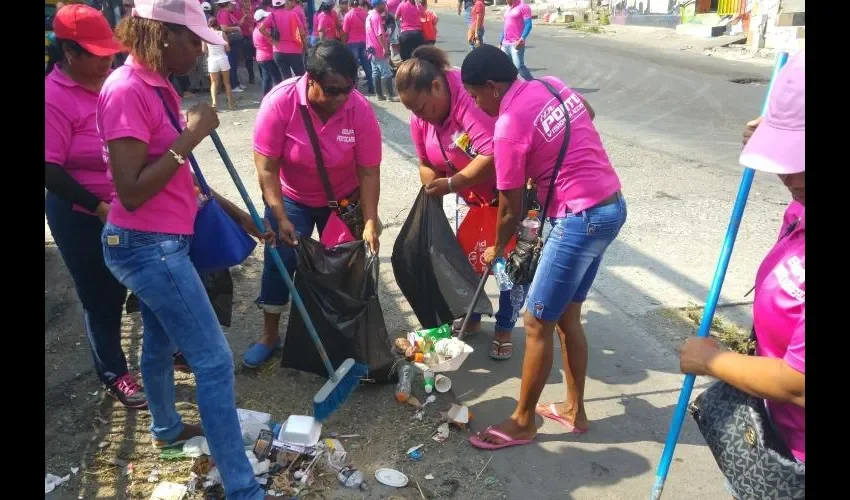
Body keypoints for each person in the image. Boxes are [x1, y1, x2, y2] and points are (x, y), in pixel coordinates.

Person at [99, 1, 275, 498]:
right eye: (193, 39)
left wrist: (240, 215)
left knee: (157, 341)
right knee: (214, 362)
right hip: (147, 245)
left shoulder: (157, 85)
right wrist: (192, 134)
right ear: (161, 35)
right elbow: (132, 190)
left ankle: (166, 429)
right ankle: (242, 488)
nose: (200, 50)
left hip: (162, 240)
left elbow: (178, 175)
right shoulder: (127, 90)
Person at [461, 44, 625, 449]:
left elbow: (511, 208)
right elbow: (586, 110)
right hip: (611, 205)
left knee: (535, 322)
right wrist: (552, 160)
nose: (477, 105)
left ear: (492, 87)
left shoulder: (508, 124)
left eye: (477, 96)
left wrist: (496, 249)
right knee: (568, 314)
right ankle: (574, 410)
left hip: (578, 219)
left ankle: (523, 421)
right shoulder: (550, 86)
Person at [679, 52, 805, 483]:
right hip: (779, 433)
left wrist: (713, 360)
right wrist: (774, 140)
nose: (788, 176)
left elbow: (798, 383)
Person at [246, 40, 382, 368]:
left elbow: (368, 172)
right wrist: (278, 214)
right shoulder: (280, 103)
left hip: (344, 200)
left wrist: (369, 220)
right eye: (332, 90)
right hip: (292, 199)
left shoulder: (359, 110)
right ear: (311, 81)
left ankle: (346, 336)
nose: (340, 98)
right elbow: (266, 168)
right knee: (281, 259)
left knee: (347, 268)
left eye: (347, 89)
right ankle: (269, 335)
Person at [45, 3, 148, 411]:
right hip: (82, 215)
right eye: (98, 52)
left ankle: (164, 350)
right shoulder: (54, 97)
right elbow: (49, 168)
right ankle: (114, 372)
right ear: (71, 54)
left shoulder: (114, 83)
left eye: (111, 50)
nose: (109, 58)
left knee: (146, 280)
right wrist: (98, 207)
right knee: (101, 295)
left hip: (127, 204)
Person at [396, 46, 527, 360]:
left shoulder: (469, 101)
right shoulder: (421, 116)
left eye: (423, 107)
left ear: (438, 87)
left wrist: (452, 183)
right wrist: (431, 180)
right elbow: (426, 161)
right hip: (471, 202)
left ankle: (506, 327)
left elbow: (493, 155)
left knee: (508, 267)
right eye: (413, 111)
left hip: (507, 198)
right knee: (467, 262)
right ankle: (473, 317)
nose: (420, 116)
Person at [260, 0, 307, 79]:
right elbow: (302, 33)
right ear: (284, 3)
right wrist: (305, 46)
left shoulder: (272, 16)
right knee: (301, 77)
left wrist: (271, 37)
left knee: (286, 78)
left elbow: (261, 29)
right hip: (294, 50)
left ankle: (289, 91)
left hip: (278, 52)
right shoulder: (293, 15)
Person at [366, 0, 398, 101]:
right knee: (386, 72)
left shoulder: (369, 16)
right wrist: (385, 48)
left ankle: (379, 95)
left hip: (371, 48)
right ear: (378, 5)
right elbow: (379, 34)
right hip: (378, 48)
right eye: (383, 4)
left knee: (375, 72)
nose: (385, 6)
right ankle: (390, 95)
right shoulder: (376, 17)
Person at [342, 0, 374, 95]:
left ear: (350, 5)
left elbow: (345, 32)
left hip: (352, 43)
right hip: (364, 42)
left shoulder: (348, 15)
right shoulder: (365, 14)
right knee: (367, 66)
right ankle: (371, 87)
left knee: (354, 67)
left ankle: (354, 89)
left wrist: (343, 44)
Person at [205, 16, 236, 109]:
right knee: (227, 83)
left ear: (208, 25)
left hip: (212, 60)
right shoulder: (222, 34)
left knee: (214, 83)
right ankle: (231, 103)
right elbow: (228, 48)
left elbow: (204, 50)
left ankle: (214, 103)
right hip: (223, 58)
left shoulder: (205, 35)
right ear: (217, 24)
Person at [215, 0, 247, 92]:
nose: (232, 6)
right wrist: (236, 28)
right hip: (231, 41)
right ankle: (233, 85)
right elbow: (224, 27)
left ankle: (236, 83)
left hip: (235, 41)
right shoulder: (224, 13)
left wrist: (244, 17)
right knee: (232, 63)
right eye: (231, 4)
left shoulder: (228, 13)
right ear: (227, 4)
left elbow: (238, 24)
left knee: (234, 62)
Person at [500, 0, 533, 81]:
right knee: (506, 67)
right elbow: (505, 26)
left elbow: (528, 24)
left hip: (516, 43)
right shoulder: (508, 8)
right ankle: (512, 86)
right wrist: (500, 41)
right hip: (505, 43)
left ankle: (533, 84)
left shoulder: (523, 7)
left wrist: (522, 38)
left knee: (519, 67)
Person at [254, 7, 282, 95]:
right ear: (262, 19)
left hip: (260, 57)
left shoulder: (255, 29)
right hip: (267, 57)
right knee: (277, 79)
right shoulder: (263, 30)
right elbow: (272, 43)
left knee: (267, 78)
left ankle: (265, 97)